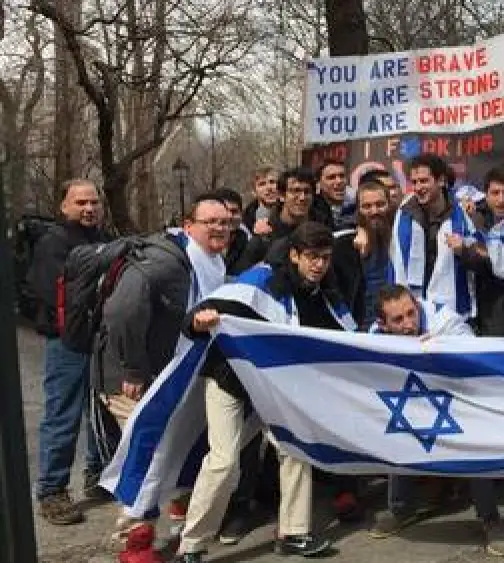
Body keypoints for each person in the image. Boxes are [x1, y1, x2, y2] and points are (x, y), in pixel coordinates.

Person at [173, 222, 344, 562]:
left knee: (295, 450)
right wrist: (199, 321)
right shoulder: (259, 283)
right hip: (230, 381)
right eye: (311, 257)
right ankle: (191, 545)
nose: (319, 265)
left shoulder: (323, 292)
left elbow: (348, 333)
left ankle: (294, 533)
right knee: (223, 462)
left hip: (274, 388)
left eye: (325, 258)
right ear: (294, 255)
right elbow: (196, 316)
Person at [101, 194, 231, 536]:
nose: (220, 228)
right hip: (137, 375)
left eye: (226, 222)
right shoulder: (165, 262)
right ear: (189, 226)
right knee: (149, 452)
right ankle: (134, 540)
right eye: (211, 222)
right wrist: (132, 368)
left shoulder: (215, 261)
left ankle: (171, 521)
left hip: (177, 372)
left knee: (175, 447)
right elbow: (122, 312)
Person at [367, 285, 504, 556]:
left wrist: (440, 349)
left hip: (458, 399)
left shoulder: (443, 319)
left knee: (473, 447)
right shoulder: (373, 336)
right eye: (398, 320)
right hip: (412, 399)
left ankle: (490, 518)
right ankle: (401, 508)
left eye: (412, 313)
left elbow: (474, 350)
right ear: (382, 324)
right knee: (396, 434)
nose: (409, 324)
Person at [28, 178, 110, 525]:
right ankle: (52, 491)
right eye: (81, 203)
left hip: (99, 339)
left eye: (93, 202)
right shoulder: (54, 242)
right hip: (68, 342)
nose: (89, 209)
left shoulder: (103, 240)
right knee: (63, 417)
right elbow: (51, 292)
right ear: (64, 207)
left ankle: (97, 474)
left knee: (101, 412)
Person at [389, 153, 479, 319]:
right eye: (414, 182)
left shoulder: (460, 217)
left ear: (441, 181)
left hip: (452, 313)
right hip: (412, 309)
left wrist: (464, 250)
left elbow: (481, 260)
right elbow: (395, 263)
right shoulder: (403, 215)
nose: (418, 187)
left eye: (424, 181)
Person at [449, 166, 504, 336]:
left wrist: (467, 251)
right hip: (481, 309)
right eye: (495, 192)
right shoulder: (477, 221)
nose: (501, 199)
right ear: (486, 194)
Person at [331, 180, 394, 330]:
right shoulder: (343, 244)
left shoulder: (400, 238)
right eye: (367, 206)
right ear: (358, 209)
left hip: (396, 326)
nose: (374, 211)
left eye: (380, 204)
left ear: (389, 204)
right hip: (359, 328)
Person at [233, 167, 320, 274]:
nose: (302, 197)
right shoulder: (263, 239)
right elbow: (241, 281)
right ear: (281, 196)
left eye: (307, 192)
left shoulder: (321, 231)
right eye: (295, 191)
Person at [213, 188, 249, 275]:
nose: (229, 216)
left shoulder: (249, 247)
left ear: (241, 214)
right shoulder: (201, 245)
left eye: (234, 211)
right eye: (224, 210)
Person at [314, 158, 357, 230]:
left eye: (342, 176)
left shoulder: (358, 206)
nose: (339, 181)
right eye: (331, 177)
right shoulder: (311, 211)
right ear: (319, 183)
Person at [240, 167, 280, 234]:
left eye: (272, 182)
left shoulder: (292, 213)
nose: (269, 187)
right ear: (254, 192)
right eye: (262, 184)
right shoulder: (245, 220)